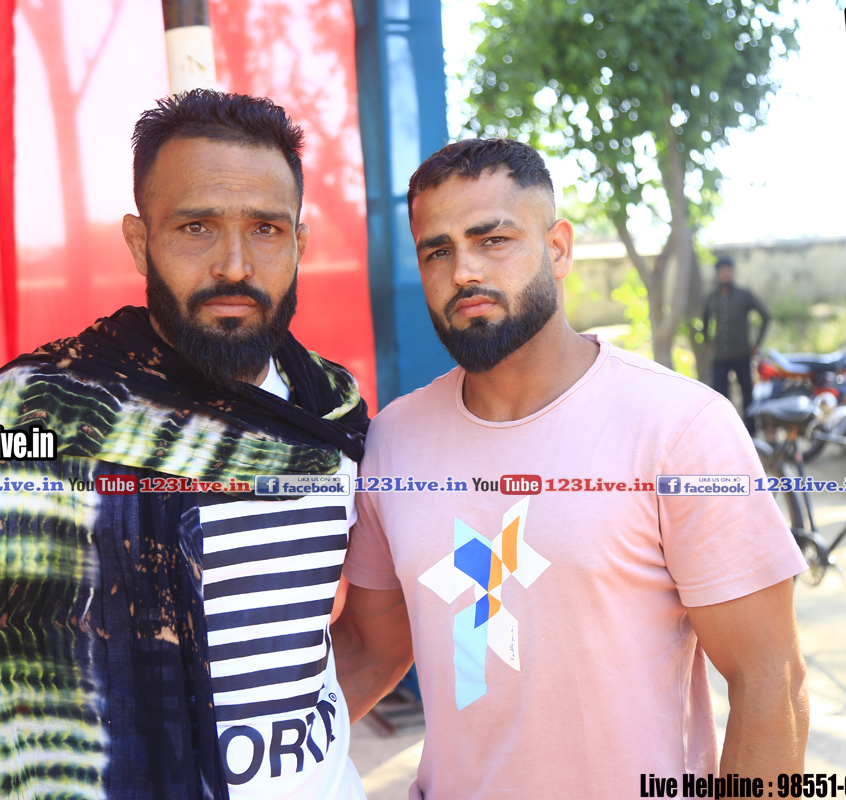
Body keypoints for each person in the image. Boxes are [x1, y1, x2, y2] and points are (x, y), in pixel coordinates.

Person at [0, 90, 370, 800]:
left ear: (299, 242)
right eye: (196, 227)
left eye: (266, 228)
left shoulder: (334, 412)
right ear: (140, 242)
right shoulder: (37, 410)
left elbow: (368, 636)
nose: (235, 264)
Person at [332, 139, 809, 799]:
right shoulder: (393, 441)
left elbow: (770, 681)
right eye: (436, 251)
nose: (463, 271)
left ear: (558, 248)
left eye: (493, 239)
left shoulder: (679, 427)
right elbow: (369, 648)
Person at [702, 256, 771, 432]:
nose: (725, 275)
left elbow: (765, 316)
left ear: (732, 273)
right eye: (722, 271)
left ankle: (750, 430)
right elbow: (704, 319)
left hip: (741, 353)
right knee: (720, 395)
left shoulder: (744, 295)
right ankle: (724, 430)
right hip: (720, 355)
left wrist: (756, 343)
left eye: (728, 271)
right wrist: (707, 340)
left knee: (747, 392)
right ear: (717, 274)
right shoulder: (712, 297)